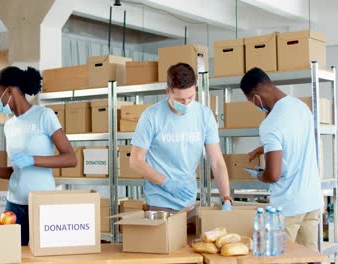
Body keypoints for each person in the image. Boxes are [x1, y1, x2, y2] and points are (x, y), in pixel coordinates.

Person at [0, 66, 77, 246]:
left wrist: (33, 160)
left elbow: (71, 158)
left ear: (9, 91)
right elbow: (13, 171)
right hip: (13, 204)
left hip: (41, 202)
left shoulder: (44, 115)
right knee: (11, 254)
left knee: (41, 256)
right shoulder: (9, 126)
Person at [129, 62, 232, 218]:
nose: (186, 104)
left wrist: (226, 198)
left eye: (190, 97)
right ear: (168, 91)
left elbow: (217, 161)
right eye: (180, 99)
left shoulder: (205, 115)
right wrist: (166, 183)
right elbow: (136, 161)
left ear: (195, 88)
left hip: (189, 202)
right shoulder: (151, 116)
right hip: (159, 203)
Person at [241, 67, 323, 250]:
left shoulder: (270, 124)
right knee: (310, 257)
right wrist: (264, 149)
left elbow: (273, 175)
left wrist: (259, 176)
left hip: (288, 207)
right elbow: (295, 140)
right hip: (311, 201)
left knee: (283, 258)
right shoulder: (302, 107)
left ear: (256, 97)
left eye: (252, 102)